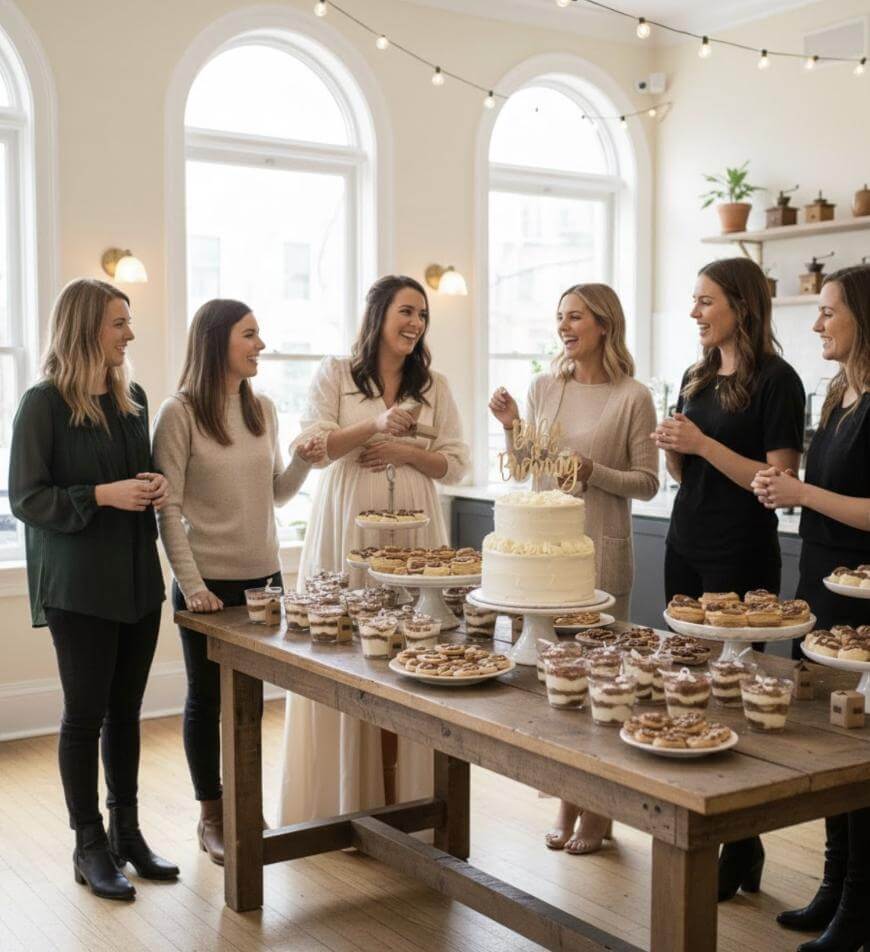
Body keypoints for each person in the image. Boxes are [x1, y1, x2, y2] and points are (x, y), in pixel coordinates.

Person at [278, 275, 470, 825]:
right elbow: (315, 450)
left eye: (423, 315)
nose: (416, 323)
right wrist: (374, 425)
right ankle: (345, 800)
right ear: (379, 314)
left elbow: (456, 464)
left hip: (415, 530)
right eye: (406, 311)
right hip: (347, 527)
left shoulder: (434, 385)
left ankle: (411, 799)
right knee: (349, 648)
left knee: (412, 646)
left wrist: (405, 451)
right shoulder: (336, 373)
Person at [8, 278, 176, 901]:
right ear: (85, 328)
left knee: (126, 713)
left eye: (128, 321)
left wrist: (153, 484)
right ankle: (89, 844)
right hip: (78, 587)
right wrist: (102, 495)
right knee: (85, 716)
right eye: (118, 322)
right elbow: (26, 498)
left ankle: (127, 834)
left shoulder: (133, 398)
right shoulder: (42, 404)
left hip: (137, 580)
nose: (130, 333)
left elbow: (137, 475)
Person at [652, 256, 805, 902]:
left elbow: (779, 484)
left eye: (705, 300)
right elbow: (685, 475)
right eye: (693, 300)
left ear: (741, 306)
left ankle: (739, 839)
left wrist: (703, 444)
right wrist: (673, 448)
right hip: (685, 542)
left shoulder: (779, 381)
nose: (694, 312)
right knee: (689, 689)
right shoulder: (696, 376)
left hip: (741, 554)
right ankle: (727, 840)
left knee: (733, 696)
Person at [152, 299, 324, 865]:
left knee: (251, 700)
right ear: (217, 341)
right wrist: (192, 585)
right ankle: (212, 814)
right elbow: (167, 509)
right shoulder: (178, 414)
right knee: (207, 701)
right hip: (207, 585)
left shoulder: (263, 409)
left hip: (264, 581)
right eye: (250, 334)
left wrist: (302, 460)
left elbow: (276, 493)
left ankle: (245, 804)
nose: (261, 345)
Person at [489, 282, 659, 855]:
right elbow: (524, 470)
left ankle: (600, 811)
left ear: (604, 324)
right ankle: (567, 799)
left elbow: (648, 482)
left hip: (601, 557)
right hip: (544, 563)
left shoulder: (633, 396)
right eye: (560, 316)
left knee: (600, 688)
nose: (564, 327)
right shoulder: (545, 387)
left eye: (576, 317)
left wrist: (594, 472)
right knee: (555, 688)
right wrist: (512, 424)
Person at [752, 265, 870, 952]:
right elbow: (824, 493)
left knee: (862, 752)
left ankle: (859, 905)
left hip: (864, 597)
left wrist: (801, 494)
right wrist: (786, 486)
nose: (817, 323)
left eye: (829, 311)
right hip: (822, 581)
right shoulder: (837, 395)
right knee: (831, 742)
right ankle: (833, 886)